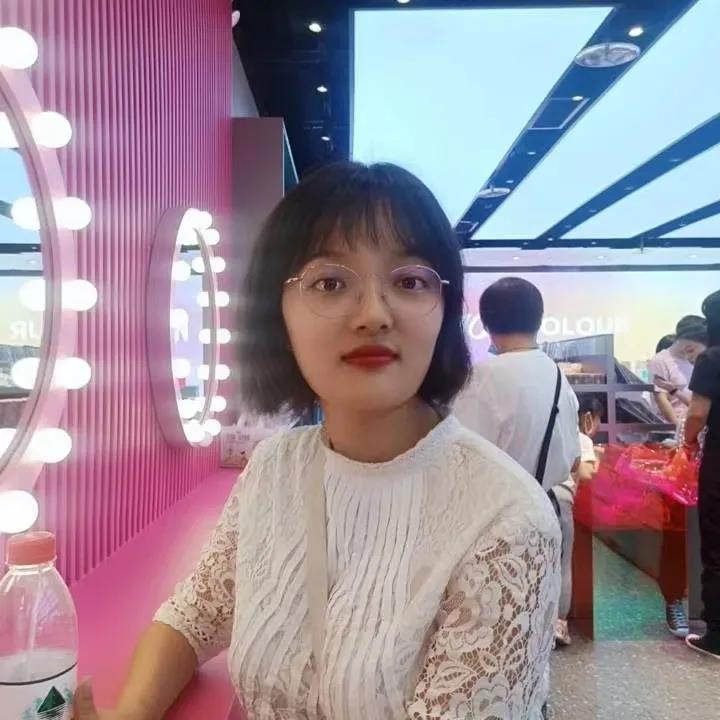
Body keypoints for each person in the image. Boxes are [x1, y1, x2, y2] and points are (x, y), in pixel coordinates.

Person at [74, 162, 560, 719]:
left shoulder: (505, 523)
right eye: (330, 282)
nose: (374, 314)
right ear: (277, 316)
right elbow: (195, 614)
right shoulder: (275, 467)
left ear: (444, 312)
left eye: (409, 282)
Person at [454, 277, 581, 493]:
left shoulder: (481, 378)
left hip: (498, 505)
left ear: (485, 324)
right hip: (549, 507)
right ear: (539, 320)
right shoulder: (557, 374)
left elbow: (459, 461)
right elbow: (575, 461)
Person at [684, 289, 720, 659]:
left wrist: (689, 441)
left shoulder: (711, 358)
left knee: (717, 545)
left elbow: (697, 414)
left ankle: (717, 634)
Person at [553, 395, 602, 647]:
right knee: (563, 563)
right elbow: (585, 472)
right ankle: (559, 624)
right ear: (587, 418)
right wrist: (598, 458)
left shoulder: (553, 432)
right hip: (561, 500)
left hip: (537, 498)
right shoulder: (580, 437)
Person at [650, 316, 708, 426]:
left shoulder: (702, 360)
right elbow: (661, 400)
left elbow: (699, 402)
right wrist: (679, 428)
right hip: (673, 427)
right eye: (689, 350)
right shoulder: (661, 360)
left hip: (696, 423)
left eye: (691, 351)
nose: (688, 357)